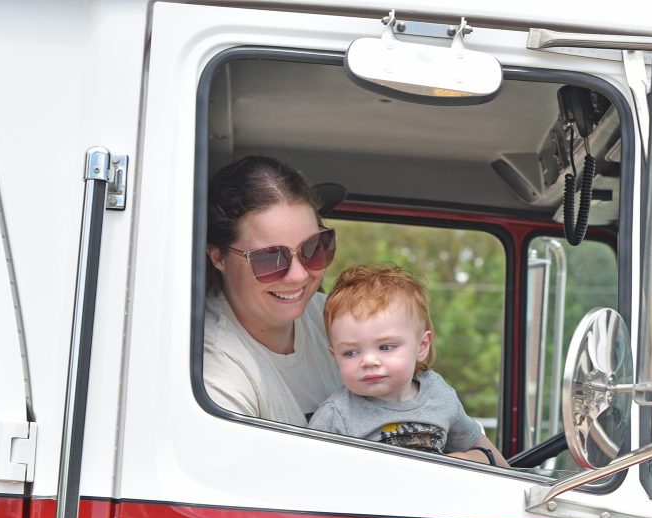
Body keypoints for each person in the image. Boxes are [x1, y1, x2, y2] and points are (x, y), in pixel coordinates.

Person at [310, 265, 508, 467]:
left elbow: (475, 442)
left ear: (422, 346)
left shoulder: (438, 394)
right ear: (334, 356)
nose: (369, 361)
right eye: (350, 353)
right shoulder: (336, 415)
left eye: (385, 347)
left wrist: (518, 481)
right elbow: (309, 472)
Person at [203, 156, 343, 425]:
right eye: (270, 259)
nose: (299, 275)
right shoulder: (217, 371)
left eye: (314, 248)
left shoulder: (336, 317)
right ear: (219, 257)